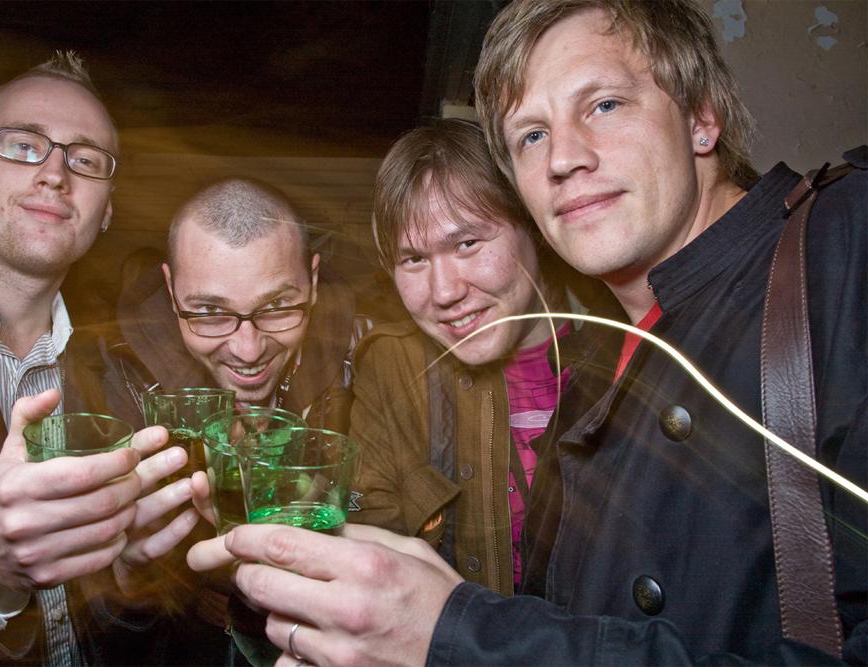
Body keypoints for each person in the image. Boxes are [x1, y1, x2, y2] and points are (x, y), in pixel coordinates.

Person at [186, 1, 866, 665]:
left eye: (604, 104)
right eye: (531, 135)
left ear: (701, 116)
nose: (563, 157)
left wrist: (456, 635)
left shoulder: (847, 245)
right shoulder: (605, 359)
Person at [0, 52, 199, 665]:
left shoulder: (122, 368)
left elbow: (113, 630)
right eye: (23, 145)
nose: (54, 174)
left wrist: (130, 583)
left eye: (86, 160)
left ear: (107, 210)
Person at [346, 119, 581, 595]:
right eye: (414, 259)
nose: (444, 292)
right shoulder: (391, 368)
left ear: (532, 228)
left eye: (467, 243)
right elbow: (373, 552)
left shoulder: (629, 349)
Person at [103, 177, 371, 433]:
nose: (249, 352)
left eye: (276, 304)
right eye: (211, 310)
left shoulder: (371, 357)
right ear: (172, 291)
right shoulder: (118, 376)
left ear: (312, 282)